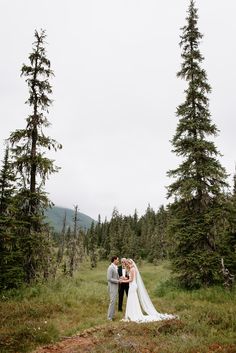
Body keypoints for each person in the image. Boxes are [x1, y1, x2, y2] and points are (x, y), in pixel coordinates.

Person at [107, 256, 122, 321]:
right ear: (114, 260)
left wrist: (120, 278)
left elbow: (116, 276)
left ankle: (112, 316)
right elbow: (109, 278)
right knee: (112, 301)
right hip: (112, 287)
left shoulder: (115, 267)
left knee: (114, 302)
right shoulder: (110, 268)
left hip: (116, 287)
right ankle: (109, 317)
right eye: (117, 260)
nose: (118, 261)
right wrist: (118, 281)